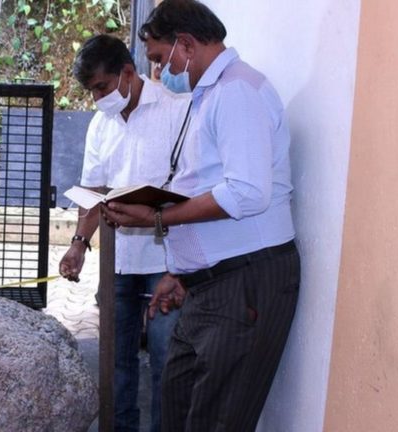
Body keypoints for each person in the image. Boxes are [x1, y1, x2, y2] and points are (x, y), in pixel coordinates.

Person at [102, 1, 300, 430]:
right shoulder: (209, 93)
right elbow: (204, 182)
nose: (158, 71)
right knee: (178, 406)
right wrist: (181, 270)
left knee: (216, 421)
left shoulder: (236, 91)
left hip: (244, 281)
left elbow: (246, 194)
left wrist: (155, 221)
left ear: (186, 45)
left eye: (159, 59)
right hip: (210, 284)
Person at [59, 35, 190, 432]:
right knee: (116, 359)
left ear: (128, 72)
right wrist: (78, 246)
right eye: (91, 91)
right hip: (118, 263)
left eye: (101, 86)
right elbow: (93, 192)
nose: (98, 98)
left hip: (167, 262)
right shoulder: (101, 126)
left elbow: (193, 189)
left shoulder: (175, 111)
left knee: (166, 360)